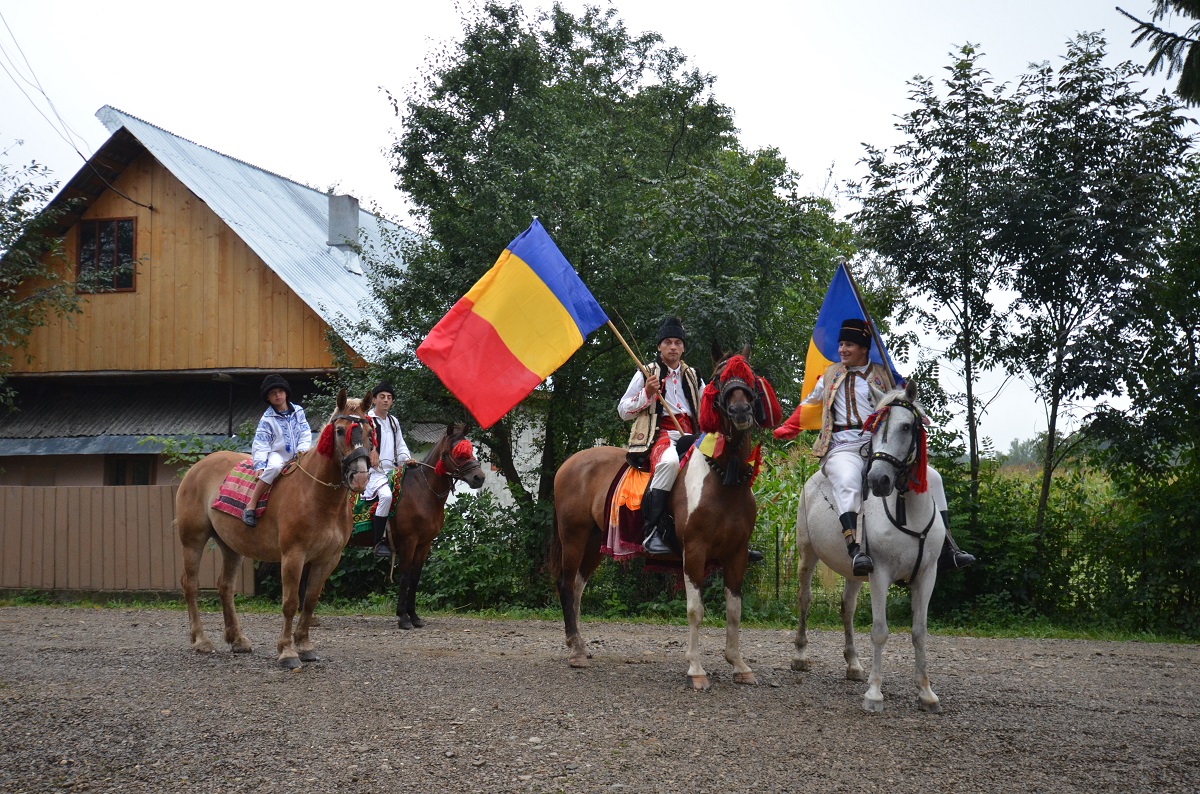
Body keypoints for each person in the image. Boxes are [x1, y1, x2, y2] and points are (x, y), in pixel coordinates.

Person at [774, 319, 975, 575]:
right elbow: (810, 403)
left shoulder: (884, 375)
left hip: (878, 445)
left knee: (932, 477)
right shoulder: (830, 374)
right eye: (841, 344)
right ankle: (855, 548)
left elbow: (905, 400)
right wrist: (788, 427)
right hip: (842, 447)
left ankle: (948, 546)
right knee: (848, 479)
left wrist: (918, 414)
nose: (842, 350)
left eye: (848, 344)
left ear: (864, 348)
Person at [618, 317, 702, 556]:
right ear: (659, 347)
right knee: (669, 463)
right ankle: (652, 531)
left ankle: (734, 536)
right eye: (668, 342)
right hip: (661, 434)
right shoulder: (646, 373)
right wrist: (647, 393)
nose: (673, 347)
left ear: (683, 347)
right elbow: (623, 411)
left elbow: (707, 408)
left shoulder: (694, 376)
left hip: (692, 435)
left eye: (677, 342)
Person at [244, 374, 312, 527]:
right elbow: (261, 444)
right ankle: (251, 505)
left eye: (280, 391)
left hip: (300, 452)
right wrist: (260, 465)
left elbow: (305, 432)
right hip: (278, 454)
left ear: (286, 393)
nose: (277, 395)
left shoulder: (298, 411)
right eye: (272, 393)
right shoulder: (267, 419)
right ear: (268, 398)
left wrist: (302, 450)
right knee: (274, 467)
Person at [364, 382, 415, 558]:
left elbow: (400, 445)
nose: (386, 400)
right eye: (382, 397)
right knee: (386, 496)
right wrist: (370, 453)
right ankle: (379, 542)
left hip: (393, 470)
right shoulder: (366, 420)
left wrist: (407, 459)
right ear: (374, 400)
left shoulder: (393, 422)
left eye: (389, 397)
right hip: (373, 472)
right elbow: (360, 445)